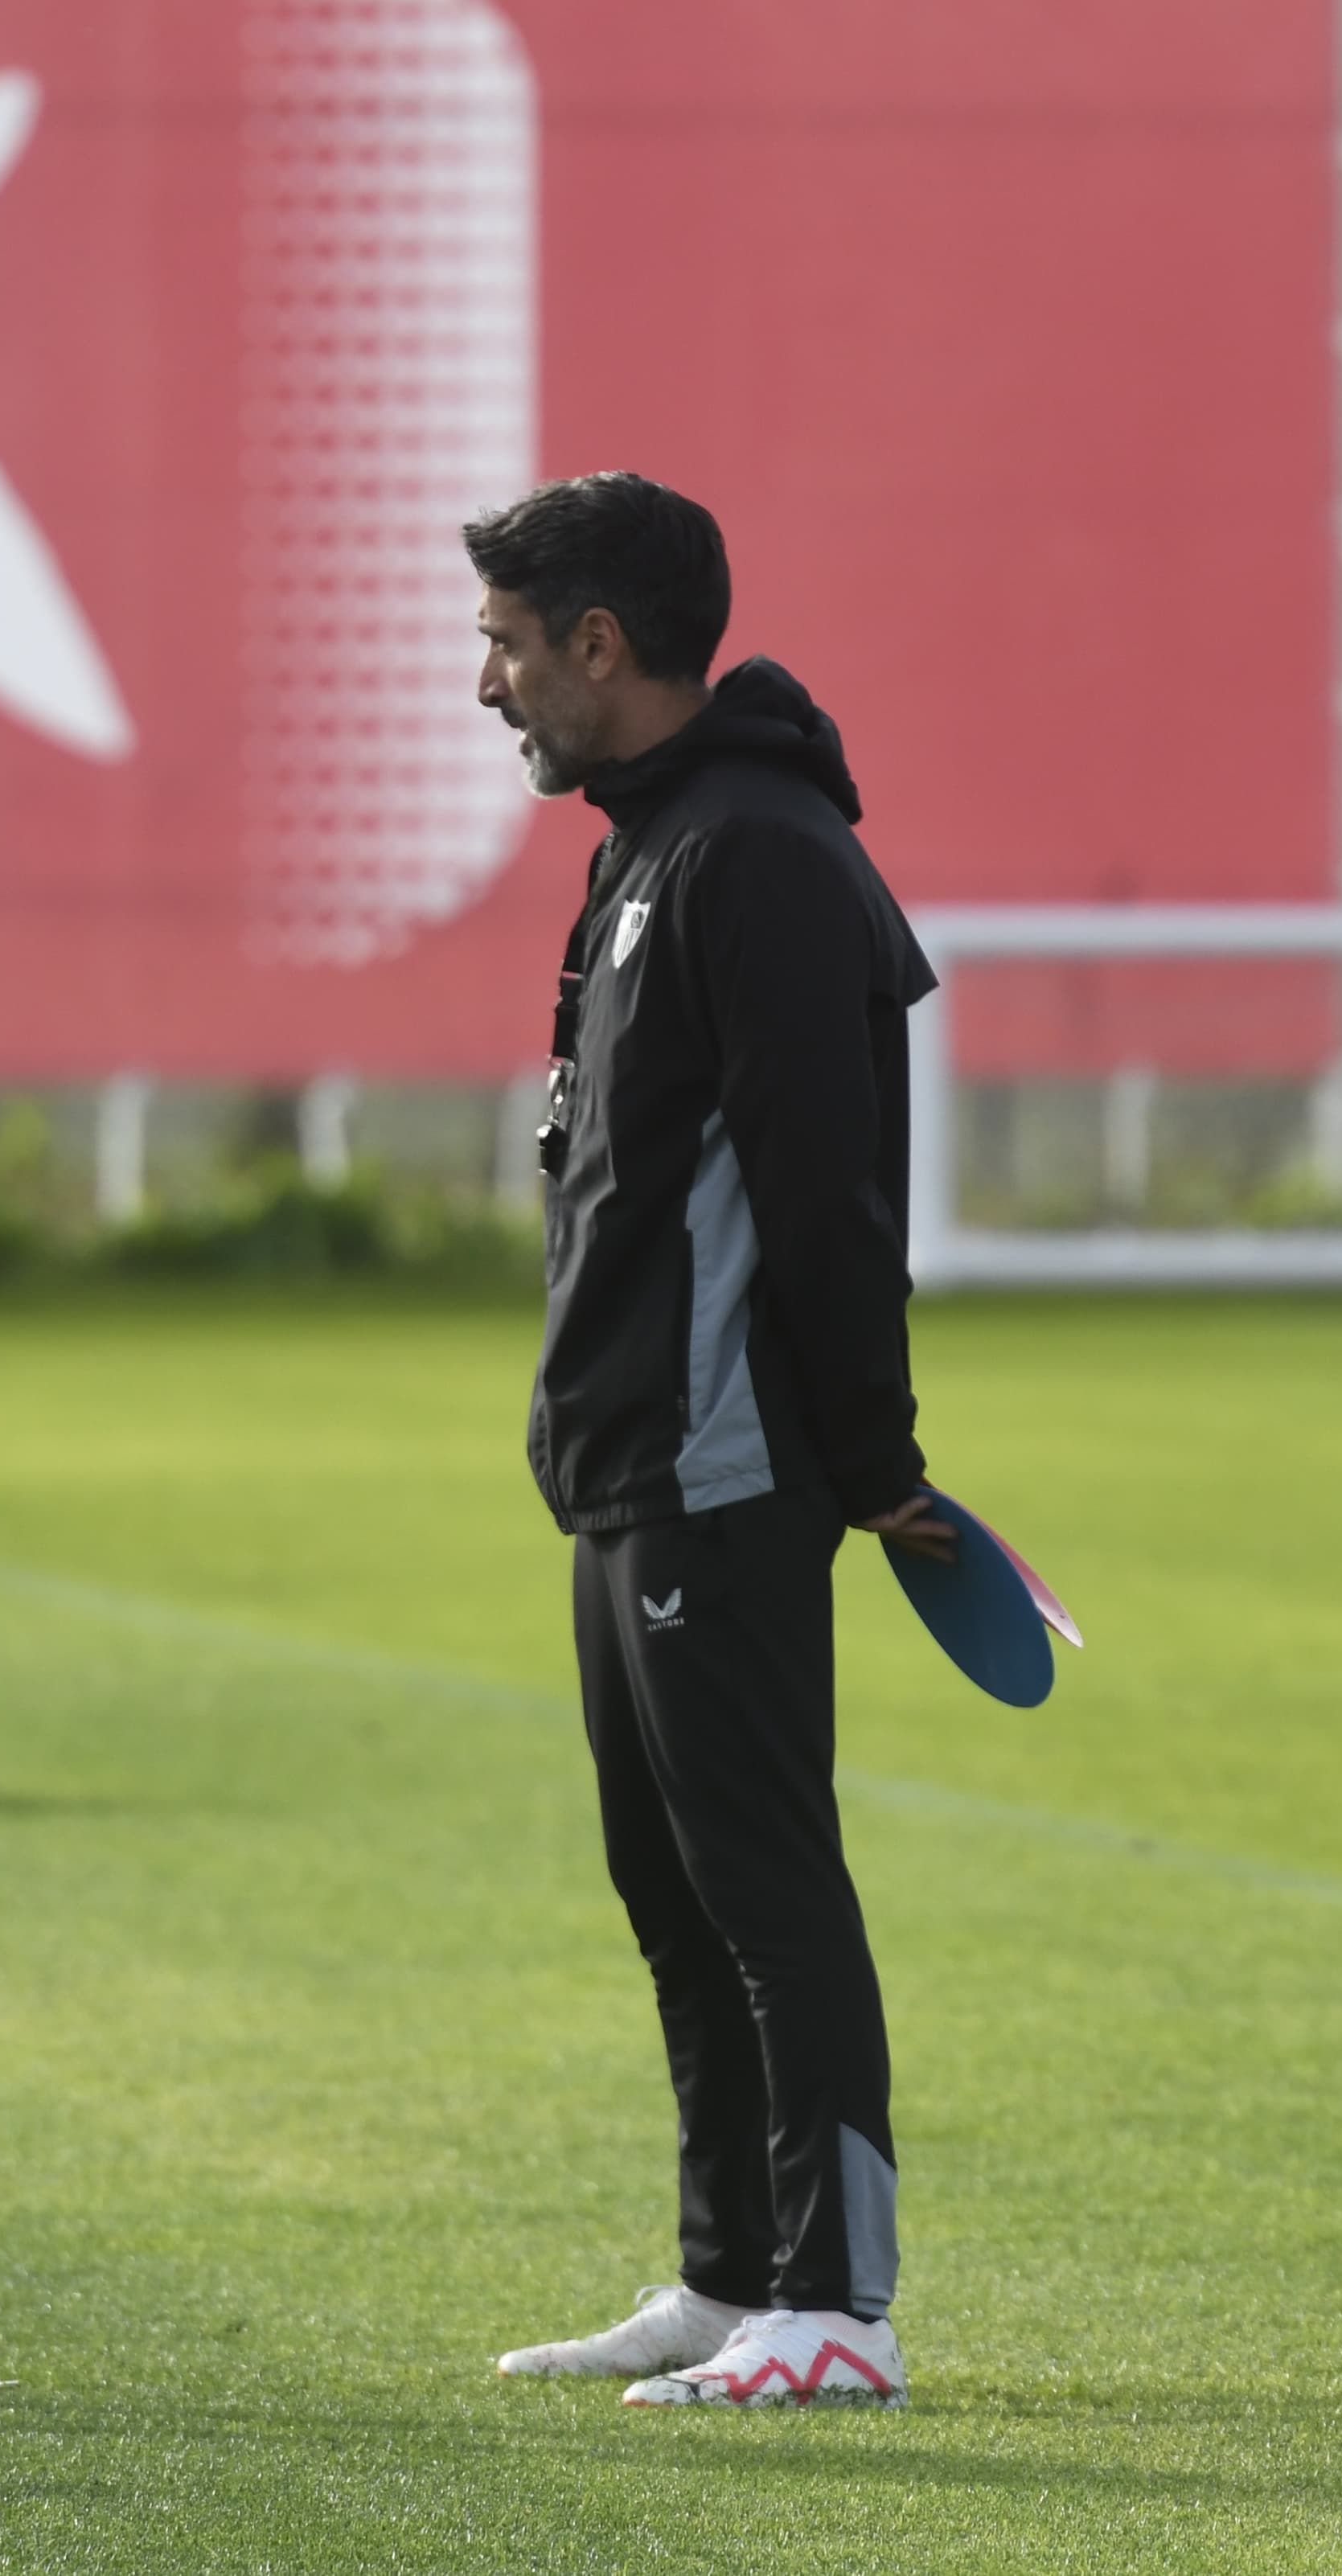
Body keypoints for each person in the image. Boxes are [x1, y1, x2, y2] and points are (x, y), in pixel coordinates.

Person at [470, 472, 950, 2411]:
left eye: (508, 644)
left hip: (730, 1459)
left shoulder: (754, 849)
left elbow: (825, 1196)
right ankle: (728, 2271)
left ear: (602, 644)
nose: (486, 682)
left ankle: (835, 2306)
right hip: (630, 1457)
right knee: (668, 1890)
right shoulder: (653, 840)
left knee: (764, 1883)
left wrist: (876, 1459)